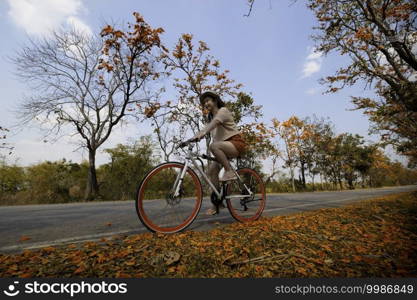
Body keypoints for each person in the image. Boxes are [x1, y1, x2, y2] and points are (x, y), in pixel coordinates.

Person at [185, 91, 248, 215]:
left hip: (236, 144)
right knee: (212, 171)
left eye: (208, 100)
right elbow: (207, 129)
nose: (206, 104)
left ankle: (229, 171)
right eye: (204, 103)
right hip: (224, 148)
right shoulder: (211, 120)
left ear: (214, 101)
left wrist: (201, 134)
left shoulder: (223, 111)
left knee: (213, 146)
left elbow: (211, 126)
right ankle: (217, 204)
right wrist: (190, 139)